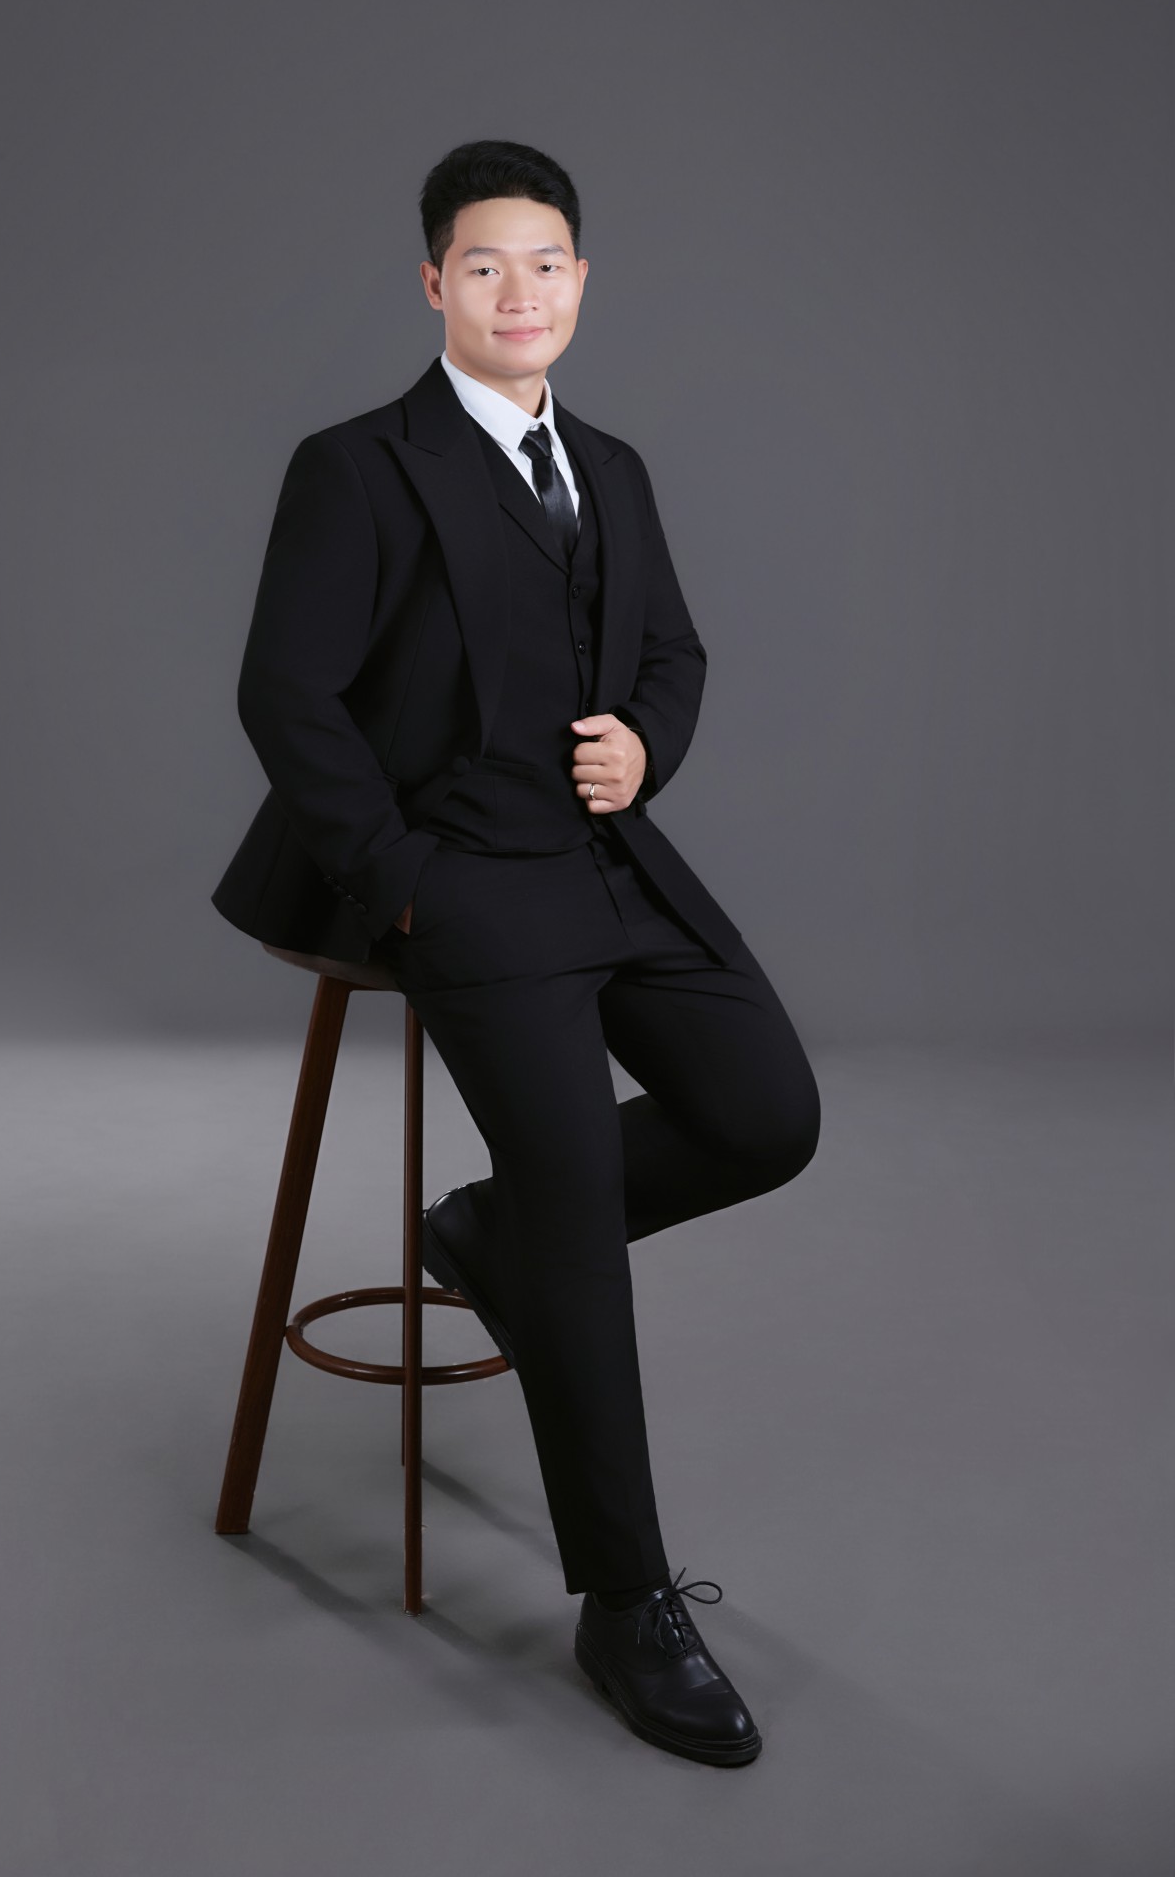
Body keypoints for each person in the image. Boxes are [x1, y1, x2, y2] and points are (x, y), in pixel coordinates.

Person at [212, 139, 821, 1766]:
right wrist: (399, 880)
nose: (519, 292)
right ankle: (624, 1601)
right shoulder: (356, 465)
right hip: (456, 881)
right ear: (435, 285)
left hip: (604, 861)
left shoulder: (608, 465)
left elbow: (673, 648)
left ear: (580, 281)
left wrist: (648, 743)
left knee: (767, 1114)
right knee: (579, 1207)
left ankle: (488, 1232)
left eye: (545, 264)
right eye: (484, 265)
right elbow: (285, 694)